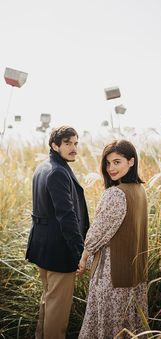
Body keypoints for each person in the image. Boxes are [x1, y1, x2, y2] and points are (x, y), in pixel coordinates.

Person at [77, 139, 148, 339]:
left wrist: (83, 258)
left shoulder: (116, 194)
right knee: (130, 327)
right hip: (135, 274)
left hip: (112, 275)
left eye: (117, 162)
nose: (111, 168)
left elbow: (96, 234)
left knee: (108, 329)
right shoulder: (140, 191)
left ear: (131, 162)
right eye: (108, 163)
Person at [26, 126, 89, 339]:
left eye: (75, 143)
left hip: (43, 248)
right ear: (55, 145)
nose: (74, 148)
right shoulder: (57, 172)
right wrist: (80, 252)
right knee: (58, 310)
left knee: (49, 300)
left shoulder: (43, 167)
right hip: (58, 251)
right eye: (68, 143)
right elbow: (67, 217)